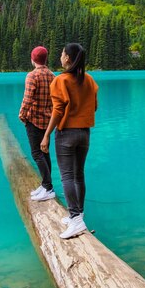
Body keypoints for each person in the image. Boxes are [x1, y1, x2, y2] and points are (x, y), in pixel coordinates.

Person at [40, 43, 98, 239]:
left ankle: (75, 219)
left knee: (66, 176)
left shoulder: (61, 81)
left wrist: (46, 134)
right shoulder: (89, 80)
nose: (61, 56)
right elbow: (94, 106)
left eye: (62, 53)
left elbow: (58, 111)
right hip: (85, 133)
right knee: (78, 174)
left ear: (67, 58)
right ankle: (78, 214)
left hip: (66, 134)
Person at [19, 46, 56, 202]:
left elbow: (27, 99)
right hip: (48, 120)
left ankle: (48, 188)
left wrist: (22, 115)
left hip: (34, 120)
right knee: (45, 151)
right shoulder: (53, 76)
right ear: (45, 59)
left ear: (33, 59)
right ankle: (46, 184)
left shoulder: (32, 76)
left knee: (36, 153)